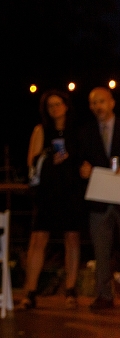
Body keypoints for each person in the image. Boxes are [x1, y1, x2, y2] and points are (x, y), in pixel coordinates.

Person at [18, 89, 82, 310]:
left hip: (71, 190)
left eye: (58, 104)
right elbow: (31, 162)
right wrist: (48, 157)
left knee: (72, 238)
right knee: (38, 239)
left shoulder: (77, 130)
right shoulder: (41, 130)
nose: (54, 109)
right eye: (50, 105)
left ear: (66, 105)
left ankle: (71, 289)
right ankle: (31, 291)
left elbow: (83, 159)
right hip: (47, 191)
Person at [78, 87, 120, 312]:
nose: (98, 106)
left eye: (101, 101)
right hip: (99, 200)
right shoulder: (86, 132)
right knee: (101, 251)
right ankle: (104, 295)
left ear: (112, 103)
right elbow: (81, 161)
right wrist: (83, 169)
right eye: (93, 103)